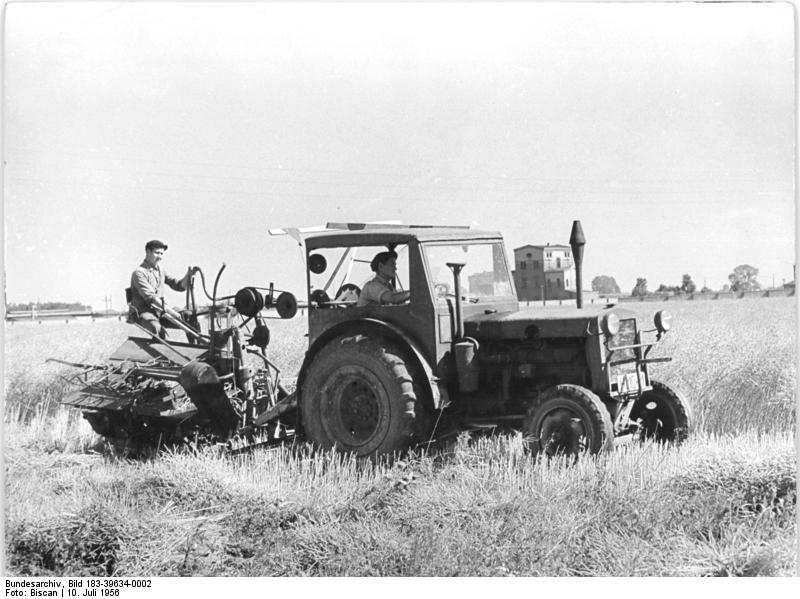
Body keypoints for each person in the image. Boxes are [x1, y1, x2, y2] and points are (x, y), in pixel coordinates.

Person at [129, 239, 199, 338]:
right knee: (157, 328)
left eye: (161, 254)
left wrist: (188, 276)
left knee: (189, 317)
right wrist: (172, 313)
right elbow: (152, 299)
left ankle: (199, 345)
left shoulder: (161, 270)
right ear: (148, 252)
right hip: (143, 312)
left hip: (160, 311)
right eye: (157, 253)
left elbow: (178, 286)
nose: (160, 257)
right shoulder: (139, 273)